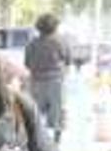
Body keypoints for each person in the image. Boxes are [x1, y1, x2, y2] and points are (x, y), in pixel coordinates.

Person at [24, 10, 77, 143]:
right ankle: (56, 138)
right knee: (58, 110)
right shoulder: (62, 41)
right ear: (55, 26)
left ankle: (35, 137)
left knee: (36, 111)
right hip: (56, 81)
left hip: (36, 81)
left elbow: (27, 63)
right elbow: (69, 60)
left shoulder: (32, 43)